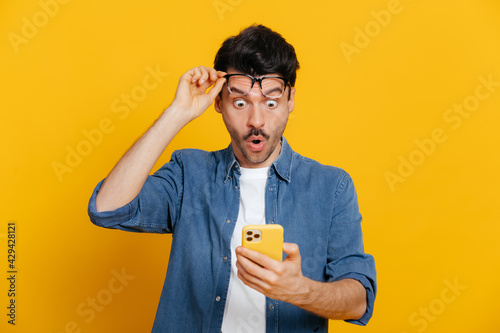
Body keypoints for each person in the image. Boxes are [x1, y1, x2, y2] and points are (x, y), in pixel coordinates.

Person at [88, 24, 376, 333]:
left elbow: (358, 301)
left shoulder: (332, 187)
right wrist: (178, 112)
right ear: (218, 103)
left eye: (270, 102)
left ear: (290, 100)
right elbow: (107, 208)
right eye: (239, 102)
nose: (256, 121)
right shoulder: (189, 173)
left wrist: (301, 290)